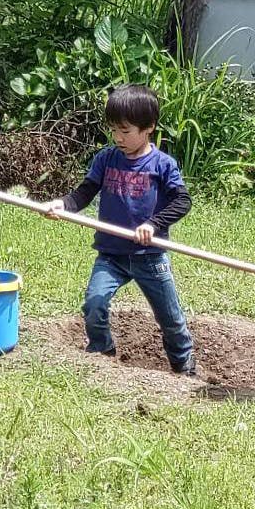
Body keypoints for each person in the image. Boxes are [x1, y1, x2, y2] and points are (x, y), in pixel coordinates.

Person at [44, 84, 196, 375]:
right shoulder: (106, 159)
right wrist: (63, 205)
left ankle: (183, 366)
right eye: (114, 130)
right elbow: (84, 192)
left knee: (170, 319)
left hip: (149, 256)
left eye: (125, 131)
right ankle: (102, 354)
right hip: (111, 254)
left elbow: (182, 201)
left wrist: (153, 224)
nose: (118, 138)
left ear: (149, 127)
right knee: (94, 303)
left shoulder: (163, 165)